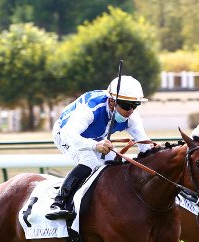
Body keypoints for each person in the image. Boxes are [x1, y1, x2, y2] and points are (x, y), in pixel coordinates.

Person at [45, 75, 151, 220]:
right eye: (126, 106)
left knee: (116, 164)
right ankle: (58, 202)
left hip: (95, 138)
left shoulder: (132, 117)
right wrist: (95, 145)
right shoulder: (91, 109)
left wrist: (157, 154)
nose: (131, 110)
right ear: (112, 101)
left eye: (135, 105)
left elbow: (144, 144)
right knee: (90, 162)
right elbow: (69, 134)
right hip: (65, 134)